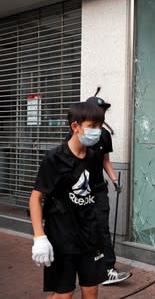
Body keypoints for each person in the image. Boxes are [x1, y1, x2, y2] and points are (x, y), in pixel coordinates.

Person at [29, 102, 107, 298]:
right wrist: (39, 237)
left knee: (91, 292)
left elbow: (96, 191)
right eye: (92, 126)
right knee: (64, 294)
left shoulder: (94, 157)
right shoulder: (54, 158)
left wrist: (98, 226)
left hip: (89, 236)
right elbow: (36, 197)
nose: (97, 132)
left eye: (99, 126)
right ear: (75, 126)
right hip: (62, 236)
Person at [85, 94, 132, 285]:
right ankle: (88, 265)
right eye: (99, 110)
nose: (102, 113)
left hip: (98, 189)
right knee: (85, 228)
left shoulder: (103, 135)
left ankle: (107, 269)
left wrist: (114, 180)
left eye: (103, 110)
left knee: (102, 227)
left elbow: (105, 161)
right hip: (79, 192)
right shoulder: (77, 133)